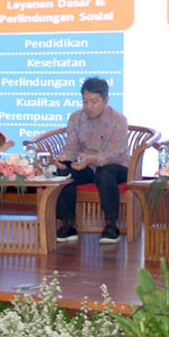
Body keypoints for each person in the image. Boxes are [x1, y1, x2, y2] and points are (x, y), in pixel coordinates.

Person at [55, 77, 130, 244]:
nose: (88, 106)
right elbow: (71, 148)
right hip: (87, 166)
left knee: (105, 172)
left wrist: (92, 159)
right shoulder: (75, 118)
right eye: (85, 101)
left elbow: (115, 154)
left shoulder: (118, 120)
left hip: (116, 167)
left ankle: (111, 226)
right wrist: (64, 158)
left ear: (105, 100)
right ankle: (68, 224)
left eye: (94, 102)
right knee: (64, 170)